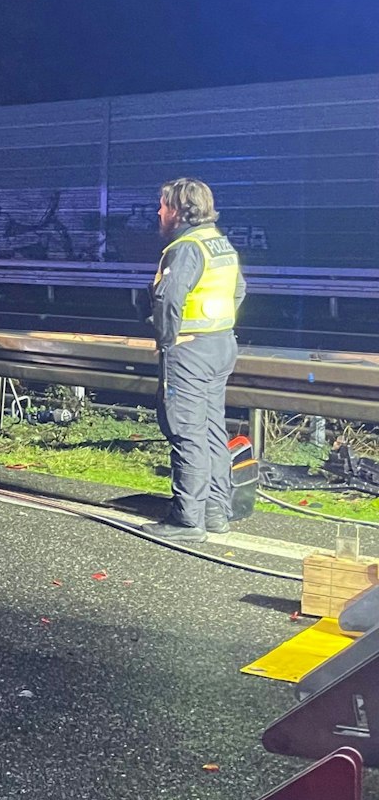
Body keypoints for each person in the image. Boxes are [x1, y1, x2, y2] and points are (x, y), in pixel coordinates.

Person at [147, 177, 244, 542]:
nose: (159, 211)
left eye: (163, 205)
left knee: (186, 431)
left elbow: (168, 299)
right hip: (220, 346)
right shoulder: (219, 243)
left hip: (190, 351)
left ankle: (187, 520)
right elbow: (239, 290)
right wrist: (216, 326)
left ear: (179, 209)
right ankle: (216, 511)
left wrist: (167, 340)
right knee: (212, 430)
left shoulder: (186, 247)